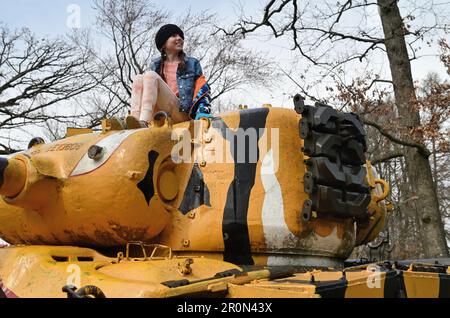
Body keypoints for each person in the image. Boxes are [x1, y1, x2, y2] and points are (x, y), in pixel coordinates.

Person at [126, 24, 212, 128]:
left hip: (182, 114)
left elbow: (202, 90)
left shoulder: (192, 63)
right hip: (161, 114)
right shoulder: (156, 65)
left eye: (180, 36)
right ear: (163, 43)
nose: (179, 38)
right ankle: (134, 121)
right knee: (138, 79)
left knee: (150, 76)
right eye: (174, 36)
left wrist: (202, 115)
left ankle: (144, 122)